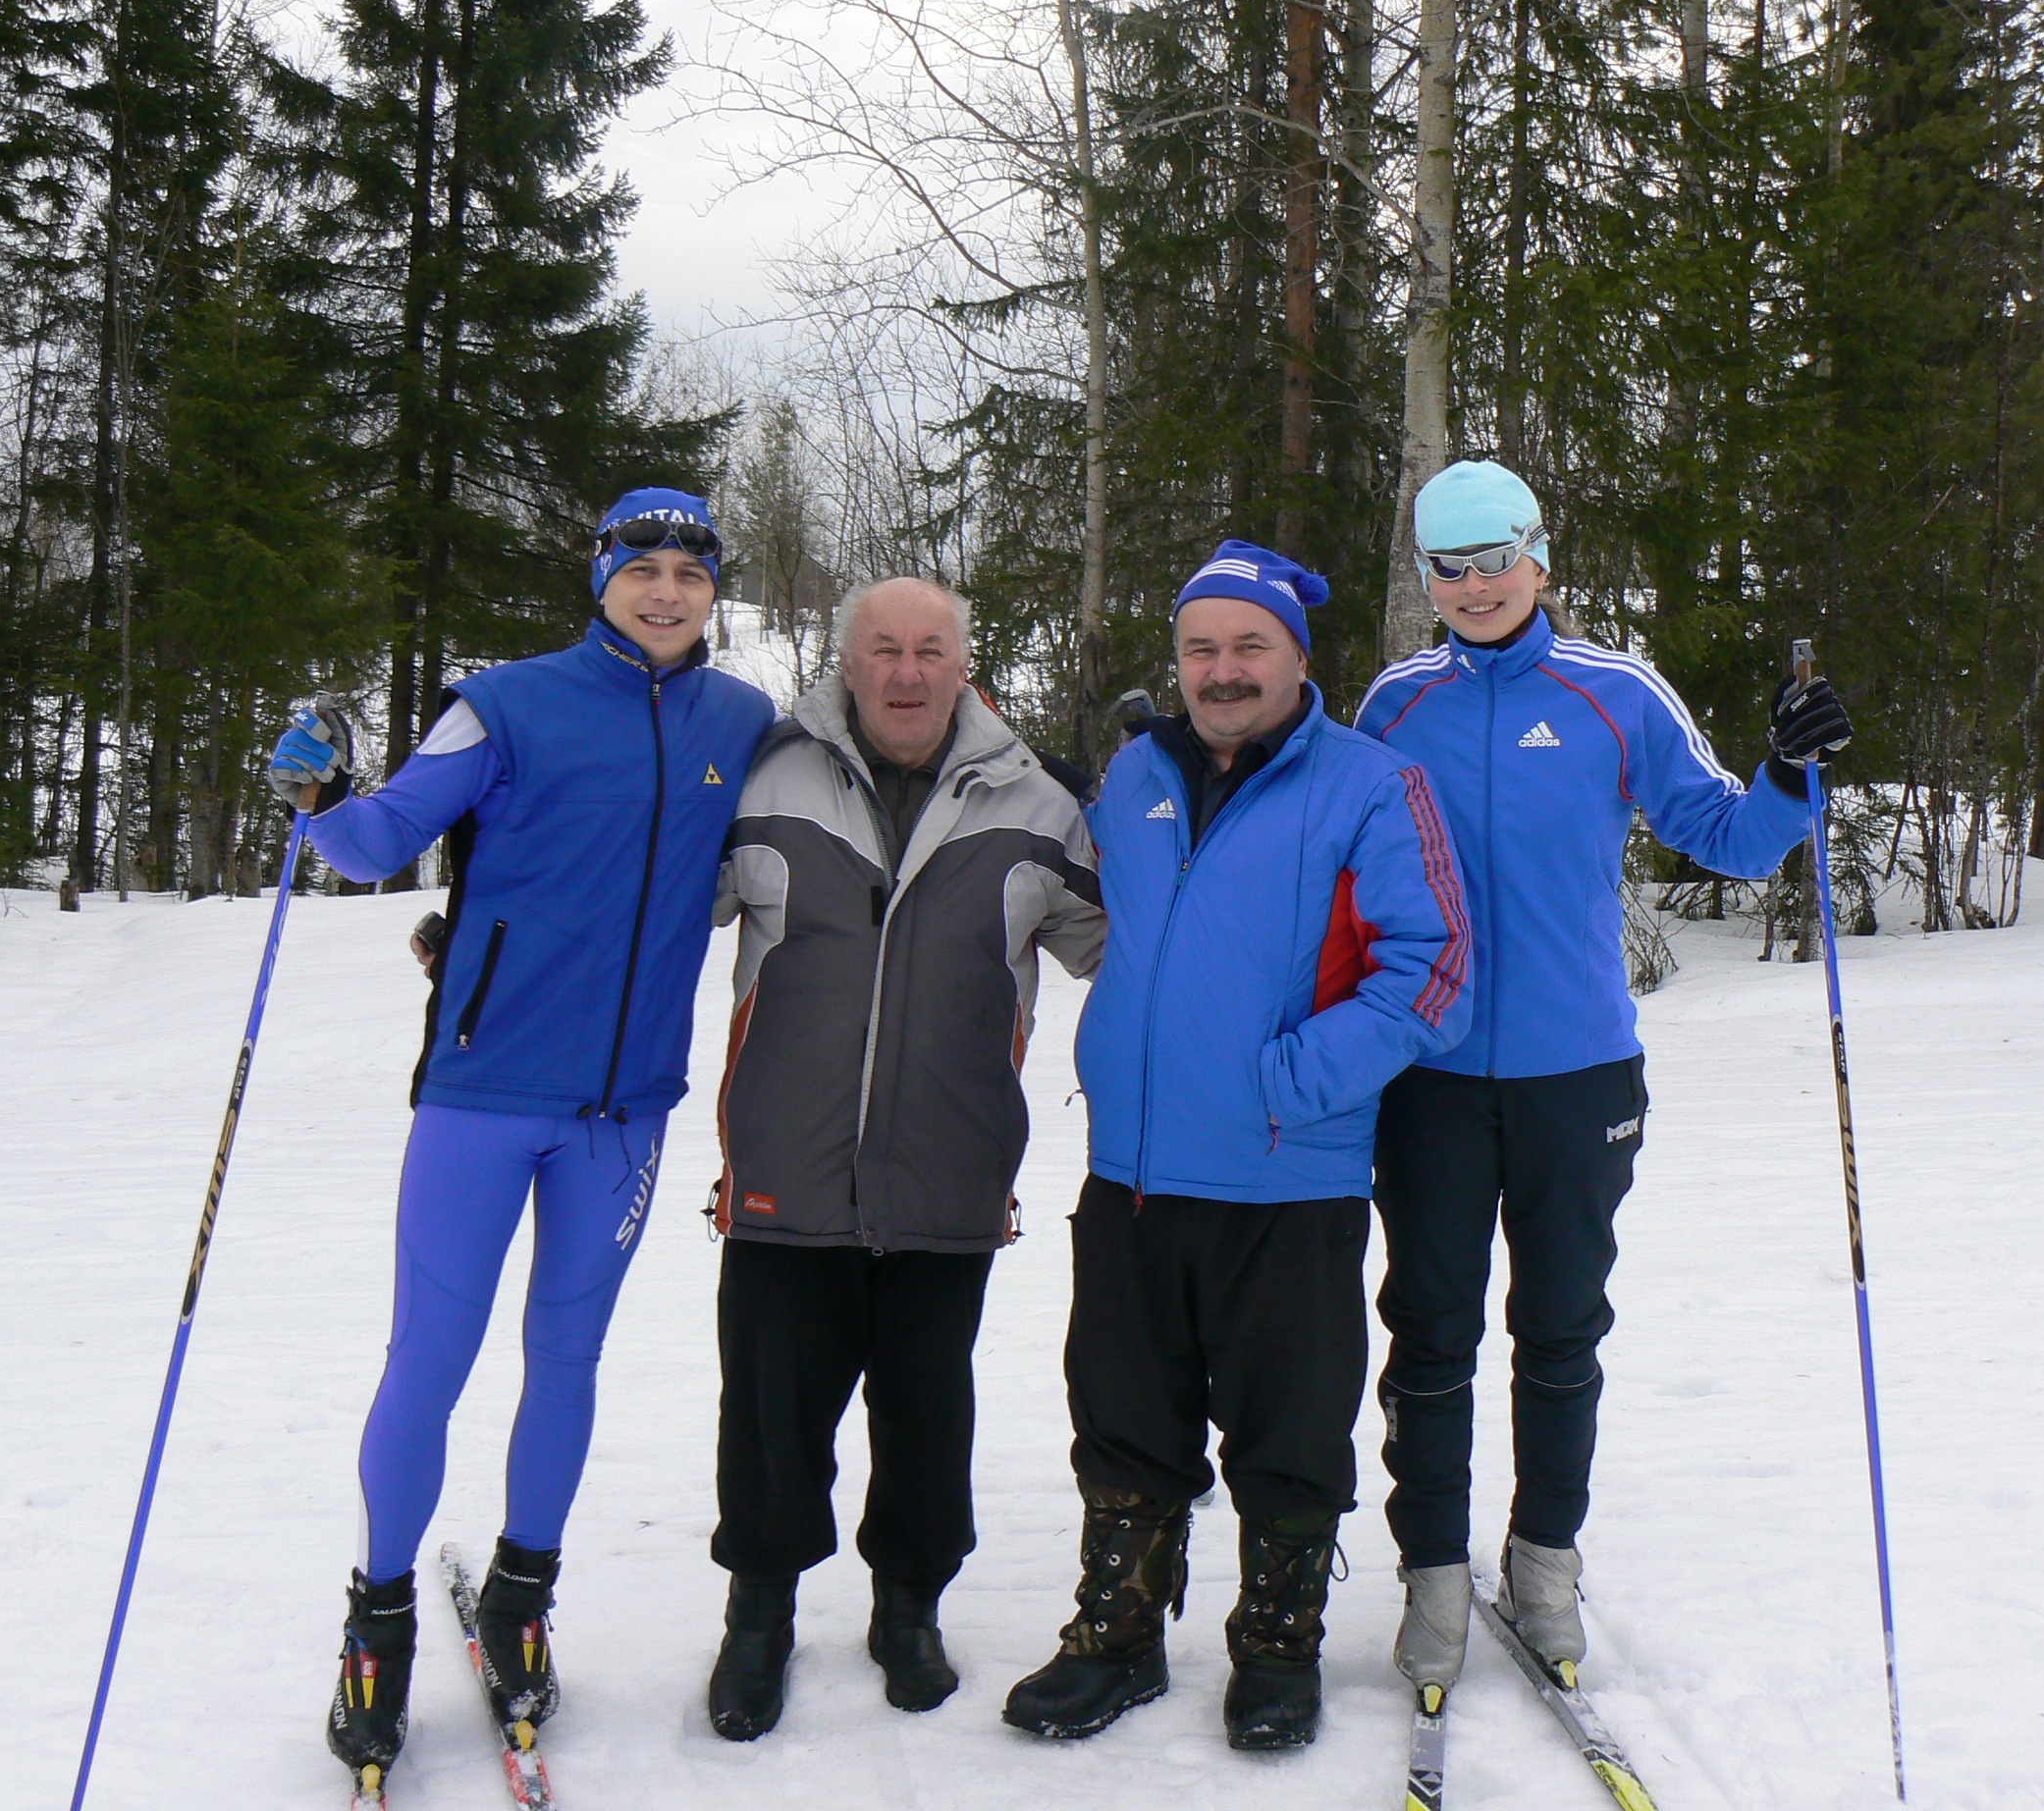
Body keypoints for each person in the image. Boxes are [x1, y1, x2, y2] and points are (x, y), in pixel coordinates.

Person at [263, 488, 777, 1793]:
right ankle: (377, 1622)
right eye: (641, 567)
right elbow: (375, 842)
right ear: (600, 578)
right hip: (483, 1097)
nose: (666, 591)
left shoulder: (742, 723)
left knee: (567, 1360)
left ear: (712, 590)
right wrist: (316, 789)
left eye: (690, 571)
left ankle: (521, 1598)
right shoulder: (505, 704)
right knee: (429, 1358)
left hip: (624, 1112)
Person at [1352, 460, 1853, 1699]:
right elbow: (1333, 855)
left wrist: (1790, 773)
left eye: (1494, 560)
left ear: (1538, 556)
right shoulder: (1395, 704)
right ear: (1426, 577)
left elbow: (1727, 837)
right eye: (1447, 568)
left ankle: (1543, 1565)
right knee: (1429, 1328)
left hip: (1576, 1075)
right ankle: (1430, 1575)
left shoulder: (1613, 691)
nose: (1474, 587)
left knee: (1561, 1326)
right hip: (1426, 1076)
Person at [1002, 541, 1475, 1752]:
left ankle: (1276, 1645)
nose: (1222, 670)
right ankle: (1116, 1634)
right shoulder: (1135, 777)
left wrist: (1289, 1083)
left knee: (1290, 1426)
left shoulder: (1372, 785)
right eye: (1201, 648)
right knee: (1120, 1414)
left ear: (1297, 659)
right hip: (1132, 1173)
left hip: (1285, 1176)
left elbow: (1433, 972)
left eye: (1249, 646)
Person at [702, 575, 1105, 1740]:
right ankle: (759, 1615)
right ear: (846, 663)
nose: (907, 671)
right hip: (785, 1168)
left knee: (928, 1415)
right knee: (771, 1417)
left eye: (931, 649)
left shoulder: (1037, 803)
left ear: (963, 666)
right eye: (883, 648)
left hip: (947, 1170)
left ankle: (908, 1606)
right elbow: (643, 901)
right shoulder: (766, 779)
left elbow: (1130, 948)